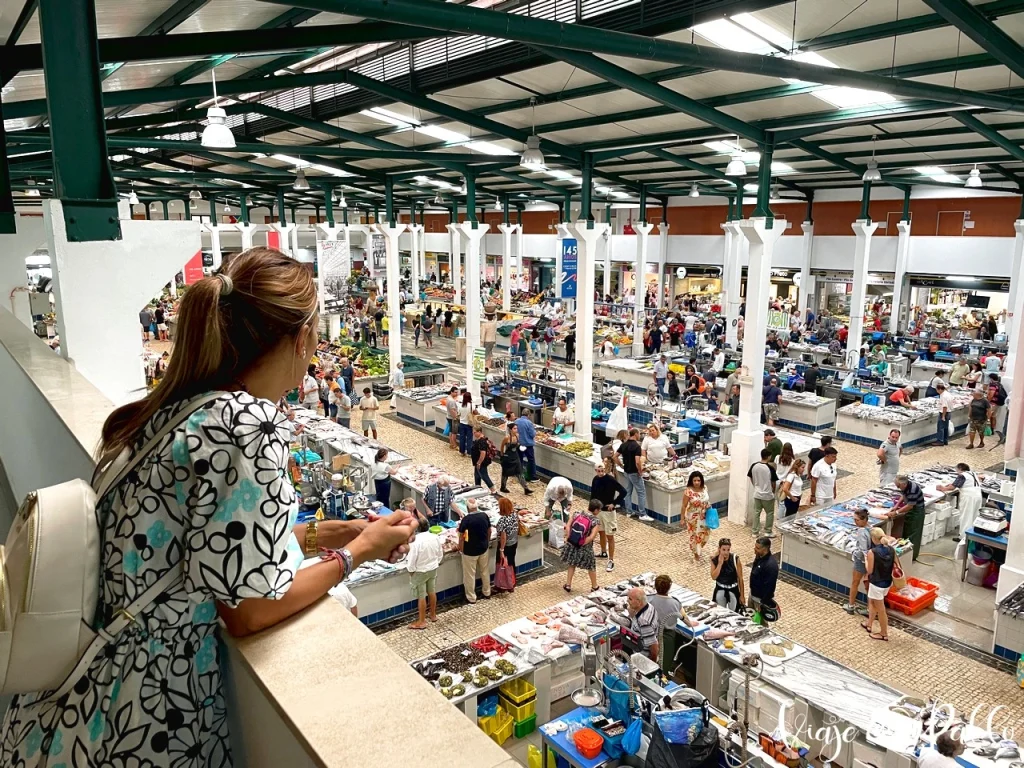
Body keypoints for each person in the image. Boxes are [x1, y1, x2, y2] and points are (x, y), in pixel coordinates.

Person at [13, 248, 420, 767]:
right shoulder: (246, 426)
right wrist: (359, 551)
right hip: (143, 716)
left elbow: (196, 552)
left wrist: (321, 536)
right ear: (301, 339)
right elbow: (251, 609)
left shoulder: (173, 408)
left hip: (75, 703)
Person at [407, 510, 443, 629]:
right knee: (431, 591)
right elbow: (440, 554)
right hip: (433, 568)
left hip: (420, 571)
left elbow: (412, 559)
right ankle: (433, 615)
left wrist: (411, 571)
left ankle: (421, 621)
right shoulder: (435, 537)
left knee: (421, 596)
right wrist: (435, 562)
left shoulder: (416, 542)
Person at [590, 463, 625, 572]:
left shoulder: (610, 480)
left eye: (602, 471)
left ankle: (611, 560)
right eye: (598, 471)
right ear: (595, 470)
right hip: (599, 511)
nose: (600, 473)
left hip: (608, 512)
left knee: (610, 536)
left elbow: (623, 492)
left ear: (604, 470)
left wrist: (614, 504)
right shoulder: (595, 479)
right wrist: (591, 509)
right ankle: (603, 551)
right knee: (601, 532)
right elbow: (593, 495)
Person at [562, 499, 602, 592]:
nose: (599, 511)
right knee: (591, 565)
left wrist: (569, 538)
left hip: (572, 543)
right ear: (595, 510)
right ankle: (594, 586)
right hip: (585, 547)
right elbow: (592, 537)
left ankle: (568, 585)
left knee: (572, 563)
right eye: (599, 510)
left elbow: (568, 526)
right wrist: (582, 543)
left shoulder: (577, 513)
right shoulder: (595, 521)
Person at [458, 498, 493, 603]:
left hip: (470, 551)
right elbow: (489, 531)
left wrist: (461, 549)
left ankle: (471, 597)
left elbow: (461, 537)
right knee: (485, 571)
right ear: (476, 507)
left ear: (467, 508)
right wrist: (486, 542)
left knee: (469, 575)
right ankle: (487, 592)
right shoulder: (484, 516)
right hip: (483, 549)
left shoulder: (466, 520)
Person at [862, 528, 895, 641]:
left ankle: (883, 633)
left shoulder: (872, 552)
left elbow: (870, 570)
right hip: (887, 582)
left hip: (877, 583)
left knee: (881, 610)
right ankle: (869, 624)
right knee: (872, 602)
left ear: (873, 538)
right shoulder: (891, 549)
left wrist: (866, 560)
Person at [938, 463, 983, 540]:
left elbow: (952, 487)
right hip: (978, 496)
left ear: (960, 468)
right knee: (974, 516)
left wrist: (942, 488)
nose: (956, 471)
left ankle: (963, 538)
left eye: (957, 469)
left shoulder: (962, 475)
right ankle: (972, 536)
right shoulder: (973, 473)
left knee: (966, 517)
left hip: (969, 497)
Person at [617, 428, 652, 521]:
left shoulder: (623, 445)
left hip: (626, 471)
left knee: (628, 492)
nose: (639, 435)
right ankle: (642, 514)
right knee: (641, 493)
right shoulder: (636, 446)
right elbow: (637, 461)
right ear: (636, 434)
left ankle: (629, 512)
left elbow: (614, 456)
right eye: (639, 434)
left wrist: (621, 465)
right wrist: (640, 471)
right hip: (634, 472)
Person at [649, 575, 683, 666]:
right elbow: (684, 617)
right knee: (665, 664)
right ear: (669, 587)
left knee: (650, 663)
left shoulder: (650, 600)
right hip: (667, 638)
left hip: (651, 635)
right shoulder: (675, 603)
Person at [843, 508, 872, 616]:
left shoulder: (861, 531)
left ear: (864, 520)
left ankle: (851, 605)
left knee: (855, 582)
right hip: (870, 560)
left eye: (857, 520)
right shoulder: (871, 528)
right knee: (868, 586)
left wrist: (866, 564)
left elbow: (863, 550)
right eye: (854, 520)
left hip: (862, 561)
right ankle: (870, 609)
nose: (855, 522)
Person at [892, 475, 926, 561]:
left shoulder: (913, 489)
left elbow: (910, 506)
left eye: (898, 486)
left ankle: (911, 556)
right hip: (910, 512)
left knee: (913, 535)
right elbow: (903, 495)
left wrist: (896, 512)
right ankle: (904, 554)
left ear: (903, 484)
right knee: (906, 533)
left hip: (916, 513)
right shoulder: (905, 487)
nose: (898, 488)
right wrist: (896, 506)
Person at [748, 448, 778, 537]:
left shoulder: (754, 465)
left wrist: (755, 485)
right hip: (767, 495)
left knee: (756, 512)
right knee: (769, 513)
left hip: (757, 493)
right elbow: (773, 482)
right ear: (768, 456)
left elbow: (750, 477)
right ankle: (768, 531)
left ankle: (755, 531)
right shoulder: (770, 468)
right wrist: (772, 492)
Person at [681, 470, 710, 562]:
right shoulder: (688, 491)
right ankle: (696, 553)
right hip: (692, 518)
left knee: (705, 534)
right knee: (694, 535)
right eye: (695, 481)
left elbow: (706, 500)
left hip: (704, 515)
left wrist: (708, 505)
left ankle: (699, 548)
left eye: (698, 480)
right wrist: (682, 518)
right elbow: (684, 505)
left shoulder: (705, 488)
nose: (697, 483)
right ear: (691, 481)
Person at [627, 587, 660, 662]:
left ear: (639, 602)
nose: (627, 601)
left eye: (630, 599)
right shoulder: (649, 606)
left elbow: (654, 647)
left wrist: (651, 665)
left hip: (643, 658)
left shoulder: (643, 622)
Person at [710, 538, 745, 610]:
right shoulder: (715, 560)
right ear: (719, 549)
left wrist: (742, 595)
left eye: (728, 550)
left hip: (733, 589)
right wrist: (720, 564)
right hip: (720, 588)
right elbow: (714, 577)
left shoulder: (735, 559)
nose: (726, 552)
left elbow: (740, 578)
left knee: (735, 612)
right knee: (720, 611)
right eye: (723, 550)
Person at [496, 497, 520, 590]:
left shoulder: (503, 520)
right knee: (511, 562)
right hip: (514, 542)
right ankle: (513, 581)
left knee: (503, 564)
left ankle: (506, 584)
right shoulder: (514, 515)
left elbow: (503, 536)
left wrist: (501, 549)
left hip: (506, 546)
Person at [499, 424, 531, 494]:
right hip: (508, 457)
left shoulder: (517, 436)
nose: (516, 430)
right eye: (514, 428)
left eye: (516, 428)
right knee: (505, 472)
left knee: (519, 472)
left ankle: (526, 488)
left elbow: (518, 444)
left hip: (515, 456)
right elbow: (502, 446)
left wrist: (521, 447)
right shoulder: (507, 438)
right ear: (510, 430)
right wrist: (502, 454)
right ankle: (503, 487)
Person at [749, 537, 779, 610]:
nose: (755, 549)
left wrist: (763, 603)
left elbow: (770, 586)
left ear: (765, 549)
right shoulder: (759, 556)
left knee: (760, 621)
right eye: (755, 547)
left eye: (757, 548)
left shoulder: (771, 565)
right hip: (753, 595)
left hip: (760, 601)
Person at [470, 424, 496, 492]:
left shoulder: (482, 441)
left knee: (484, 476)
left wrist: (479, 463)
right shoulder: (479, 439)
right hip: (477, 462)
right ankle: (477, 488)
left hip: (481, 462)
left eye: (475, 432)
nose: (473, 433)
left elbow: (483, 453)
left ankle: (493, 490)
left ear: (479, 432)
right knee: (477, 475)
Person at [514, 410, 537, 481]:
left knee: (519, 459)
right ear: (529, 415)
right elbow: (532, 434)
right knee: (531, 460)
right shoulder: (529, 423)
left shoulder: (516, 421)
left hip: (519, 443)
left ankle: (520, 475)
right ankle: (531, 476)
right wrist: (535, 431)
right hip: (528, 445)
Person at [988, 373, 1008, 437]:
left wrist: (987, 401)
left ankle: (987, 430)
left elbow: (991, 394)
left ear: (991, 378)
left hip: (993, 403)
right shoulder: (999, 384)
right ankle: (992, 430)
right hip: (998, 403)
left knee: (988, 416)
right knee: (993, 416)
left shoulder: (993, 385)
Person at [934, 382, 952, 446]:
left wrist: (943, 416)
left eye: (937, 390)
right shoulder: (947, 394)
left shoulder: (943, 396)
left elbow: (945, 406)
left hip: (944, 413)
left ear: (940, 389)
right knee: (945, 427)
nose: (936, 391)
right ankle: (945, 440)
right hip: (949, 412)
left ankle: (940, 441)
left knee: (940, 428)